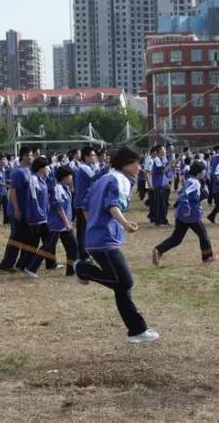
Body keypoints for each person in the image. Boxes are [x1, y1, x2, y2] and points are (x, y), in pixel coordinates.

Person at [74, 146, 159, 345]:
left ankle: (137, 330)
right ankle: (83, 268)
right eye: (137, 163)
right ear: (126, 163)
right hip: (104, 239)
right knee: (125, 282)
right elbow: (113, 206)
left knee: (122, 288)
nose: (140, 167)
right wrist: (125, 224)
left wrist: (93, 225)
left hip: (96, 238)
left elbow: (85, 206)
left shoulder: (104, 178)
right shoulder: (119, 180)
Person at [152, 161, 214, 266]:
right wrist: (187, 209)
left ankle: (158, 250)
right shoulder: (194, 182)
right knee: (203, 235)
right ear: (199, 172)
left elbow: (186, 194)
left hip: (182, 216)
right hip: (191, 215)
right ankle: (207, 258)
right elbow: (183, 195)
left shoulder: (191, 180)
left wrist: (202, 195)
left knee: (176, 238)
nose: (205, 172)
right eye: (204, 170)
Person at [24, 166, 78, 278]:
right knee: (48, 247)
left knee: (72, 246)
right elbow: (59, 207)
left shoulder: (65, 188)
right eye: (70, 175)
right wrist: (66, 222)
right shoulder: (58, 188)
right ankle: (31, 268)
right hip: (57, 224)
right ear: (64, 177)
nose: (72, 178)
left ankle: (72, 271)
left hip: (64, 224)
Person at [0, 147, 34, 272]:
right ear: (24, 156)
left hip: (27, 211)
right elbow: (13, 192)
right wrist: (16, 209)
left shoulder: (29, 170)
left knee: (27, 238)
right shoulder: (18, 172)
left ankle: (23, 263)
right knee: (16, 237)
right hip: (17, 211)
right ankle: (7, 264)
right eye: (30, 155)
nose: (32, 157)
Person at [74, 147, 98, 261]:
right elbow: (93, 178)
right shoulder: (83, 168)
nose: (94, 157)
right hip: (82, 204)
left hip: (87, 203)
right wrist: (107, 168)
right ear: (86, 157)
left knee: (85, 230)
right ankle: (83, 255)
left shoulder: (88, 167)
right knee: (83, 231)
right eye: (92, 155)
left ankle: (84, 253)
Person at [151, 145, 174, 226]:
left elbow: (165, 174)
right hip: (158, 185)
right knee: (159, 204)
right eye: (163, 149)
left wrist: (167, 182)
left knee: (164, 204)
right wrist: (170, 164)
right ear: (159, 151)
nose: (165, 151)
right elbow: (162, 170)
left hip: (163, 184)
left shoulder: (163, 159)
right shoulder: (157, 159)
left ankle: (164, 220)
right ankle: (158, 221)